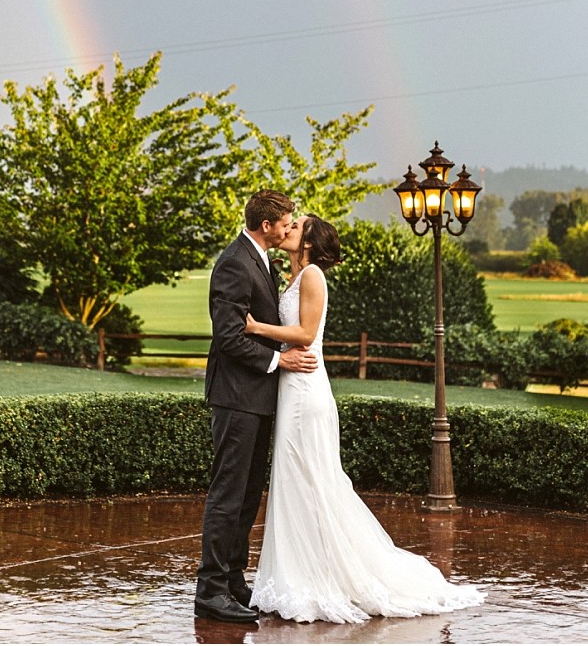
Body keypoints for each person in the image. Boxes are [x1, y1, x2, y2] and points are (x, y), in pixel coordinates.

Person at [245, 213, 485, 624]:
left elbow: (306, 334)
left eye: (297, 226)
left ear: (309, 242)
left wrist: (256, 328)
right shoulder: (293, 276)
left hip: (305, 392)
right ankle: (300, 573)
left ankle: (321, 577)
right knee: (295, 479)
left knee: (311, 480)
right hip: (291, 387)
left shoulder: (313, 276)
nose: (288, 229)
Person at [194, 191, 319, 624]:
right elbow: (229, 336)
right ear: (267, 226)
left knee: (247, 496)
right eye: (284, 223)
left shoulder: (262, 259)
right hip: (236, 398)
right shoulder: (234, 262)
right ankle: (210, 591)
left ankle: (232, 582)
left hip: (257, 399)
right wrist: (278, 361)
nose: (287, 229)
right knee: (228, 495)